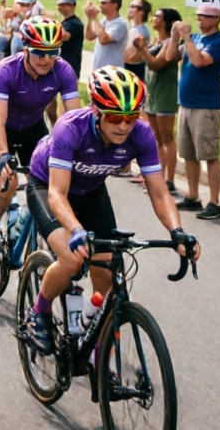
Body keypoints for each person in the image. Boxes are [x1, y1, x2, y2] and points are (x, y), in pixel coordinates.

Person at [21, 67, 198, 355]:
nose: (124, 126)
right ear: (95, 110)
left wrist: (177, 232)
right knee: (71, 257)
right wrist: (76, 231)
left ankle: (95, 334)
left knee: (108, 267)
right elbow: (57, 194)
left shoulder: (141, 135)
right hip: (47, 186)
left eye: (131, 117)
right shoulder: (71, 127)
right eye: (115, 117)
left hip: (91, 191)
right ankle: (38, 311)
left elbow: (158, 190)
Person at [0, 17, 82, 266]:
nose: (46, 60)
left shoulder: (63, 70)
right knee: (8, 183)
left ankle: (36, 223)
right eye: (39, 53)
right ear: (25, 49)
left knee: (53, 184)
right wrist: (3, 154)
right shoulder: (6, 70)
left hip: (32, 126)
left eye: (52, 53)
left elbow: (73, 118)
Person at [174, 3, 220, 219]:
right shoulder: (195, 38)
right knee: (189, 154)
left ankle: (214, 202)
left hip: (206, 106)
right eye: (198, 15)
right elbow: (173, 56)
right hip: (186, 103)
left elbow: (198, 61)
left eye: (205, 16)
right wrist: (174, 37)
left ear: (216, 19)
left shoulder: (219, 42)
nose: (200, 19)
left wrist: (187, 38)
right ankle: (193, 196)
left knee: (210, 155)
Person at [142, 7, 183, 198]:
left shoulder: (171, 43)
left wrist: (142, 48)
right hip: (153, 94)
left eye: (158, 16)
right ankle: (157, 177)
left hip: (165, 94)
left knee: (167, 137)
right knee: (156, 138)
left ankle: (170, 180)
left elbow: (156, 64)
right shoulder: (155, 41)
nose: (153, 19)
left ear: (167, 22)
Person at [84, 0, 129, 73]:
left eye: (103, 2)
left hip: (113, 73)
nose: (100, 5)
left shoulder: (121, 24)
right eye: (100, 2)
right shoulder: (103, 21)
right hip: (98, 71)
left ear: (115, 5)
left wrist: (95, 17)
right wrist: (90, 18)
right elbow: (89, 36)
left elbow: (104, 40)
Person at [54, 0, 85, 77]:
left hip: (70, 68)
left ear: (74, 6)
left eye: (68, 5)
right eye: (61, 5)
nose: (64, 8)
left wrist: (54, 22)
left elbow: (63, 37)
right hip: (60, 66)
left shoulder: (75, 23)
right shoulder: (66, 22)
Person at [125, 0, 153, 82]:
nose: (130, 8)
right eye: (130, 6)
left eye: (134, 6)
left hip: (132, 70)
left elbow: (128, 56)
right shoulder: (133, 28)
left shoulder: (140, 32)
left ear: (142, 12)